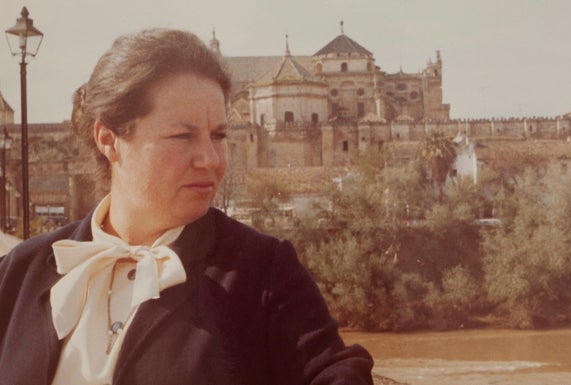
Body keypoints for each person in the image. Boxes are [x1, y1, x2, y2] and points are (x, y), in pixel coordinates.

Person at [0, 29, 373, 384]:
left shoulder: (265, 273)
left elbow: (332, 370)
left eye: (220, 135)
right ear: (109, 140)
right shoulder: (19, 271)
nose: (211, 159)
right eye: (183, 136)